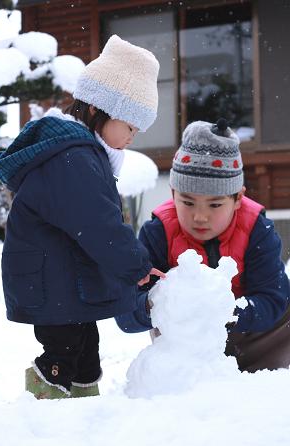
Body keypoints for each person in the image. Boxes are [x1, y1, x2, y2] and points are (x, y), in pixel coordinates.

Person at [0, 35, 164, 399]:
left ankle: (84, 417)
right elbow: (98, 225)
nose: (132, 137)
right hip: (52, 281)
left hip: (65, 281)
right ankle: (46, 412)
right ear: (99, 109)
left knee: (86, 356)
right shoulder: (72, 158)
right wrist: (136, 265)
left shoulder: (83, 154)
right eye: (130, 126)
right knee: (63, 355)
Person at [116, 118, 290, 373]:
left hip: (252, 337)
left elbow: (273, 299)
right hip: (185, 341)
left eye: (215, 205)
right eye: (187, 202)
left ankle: (263, 382)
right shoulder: (158, 231)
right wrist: (157, 304)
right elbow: (126, 313)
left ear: (238, 198)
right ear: (173, 194)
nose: (200, 216)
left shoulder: (256, 229)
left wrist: (225, 311)